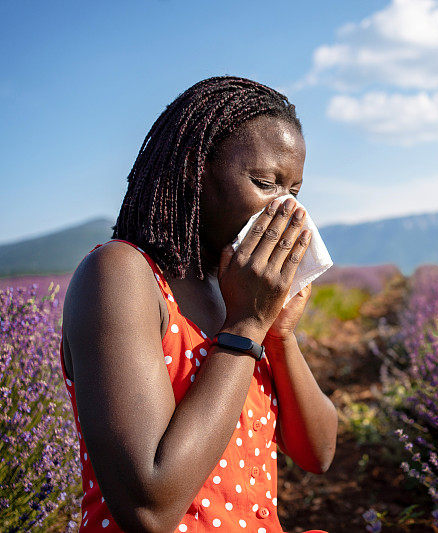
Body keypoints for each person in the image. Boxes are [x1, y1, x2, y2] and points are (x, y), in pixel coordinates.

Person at [58, 76, 337, 532]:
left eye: (295, 193)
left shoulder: (231, 290)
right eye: (266, 184)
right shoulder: (122, 275)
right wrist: (246, 325)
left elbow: (319, 454)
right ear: (194, 169)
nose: (287, 212)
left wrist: (278, 334)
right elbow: (150, 507)